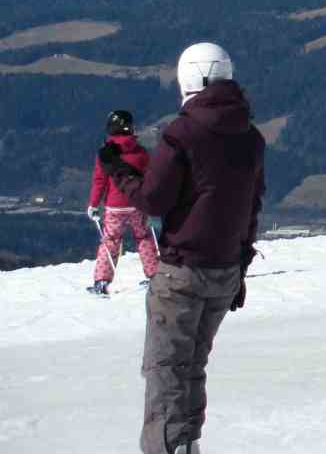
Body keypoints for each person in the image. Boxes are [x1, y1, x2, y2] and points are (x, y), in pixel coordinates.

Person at [98, 42, 266, 454]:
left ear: (187, 78)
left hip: (183, 272)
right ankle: (187, 443)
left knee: (166, 370)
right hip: (225, 271)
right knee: (192, 365)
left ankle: (170, 447)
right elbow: (251, 206)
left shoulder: (182, 133)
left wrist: (118, 171)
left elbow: (153, 200)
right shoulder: (251, 137)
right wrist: (241, 265)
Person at [86, 109, 160, 296]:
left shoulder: (105, 154)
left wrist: (93, 204)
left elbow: (99, 181)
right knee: (143, 238)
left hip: (114, 207)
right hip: (137, 203)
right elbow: (150, 177)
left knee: (110, 241)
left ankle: (102, 281)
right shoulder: (141, 152)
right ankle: (154, 276)